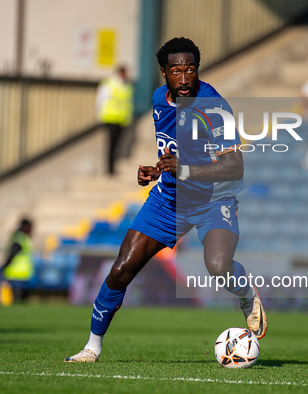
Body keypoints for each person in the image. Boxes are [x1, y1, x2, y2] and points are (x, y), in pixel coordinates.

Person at [64, 37, 267, 363]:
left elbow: (234, 166)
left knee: (217, 267)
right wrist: (157, 169)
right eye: (176, 71)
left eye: (191, 70)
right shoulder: (160, 99)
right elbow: (175, 148)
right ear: (163, 73)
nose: (185, 78)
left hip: (214, 200)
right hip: (169, 199)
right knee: (121, 269)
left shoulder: (215, 108)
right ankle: (92, 347)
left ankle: (246, 294)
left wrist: (184, 169)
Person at [95, 65, 133, 175]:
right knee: (111, 145)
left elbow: (128, 103)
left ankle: (113, 166)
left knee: (117, 144)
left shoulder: (127, 85)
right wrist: (99, 117)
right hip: (110, 118)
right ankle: (109, 168)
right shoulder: (109, 83)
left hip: (121, 119)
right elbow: (100, 100)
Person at [0, 218, 34, 300]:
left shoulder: (23, 238)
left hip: (22, 274)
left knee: (21, 301)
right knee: (17, 300)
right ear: (25, 226)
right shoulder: (19, 238)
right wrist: (5, 266)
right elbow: (13, 253)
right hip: (16, 274)